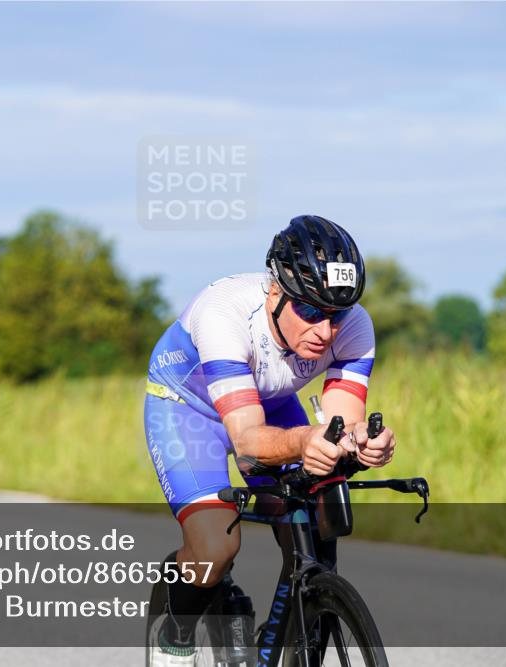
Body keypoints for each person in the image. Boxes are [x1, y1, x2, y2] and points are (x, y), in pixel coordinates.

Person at [144, 215, 397, 665]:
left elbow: (340, 423)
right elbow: (247, 441)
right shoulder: (225, 313)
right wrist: (305, 442)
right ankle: (175, 637)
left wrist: (362, 442)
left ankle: (287, 630)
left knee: (316, 527)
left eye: (337, 314)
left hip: (271, 405)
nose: (326, 331)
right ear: (275, 291)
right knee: (216, 546)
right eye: (311, 312)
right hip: (190, 409)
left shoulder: (354, 326)